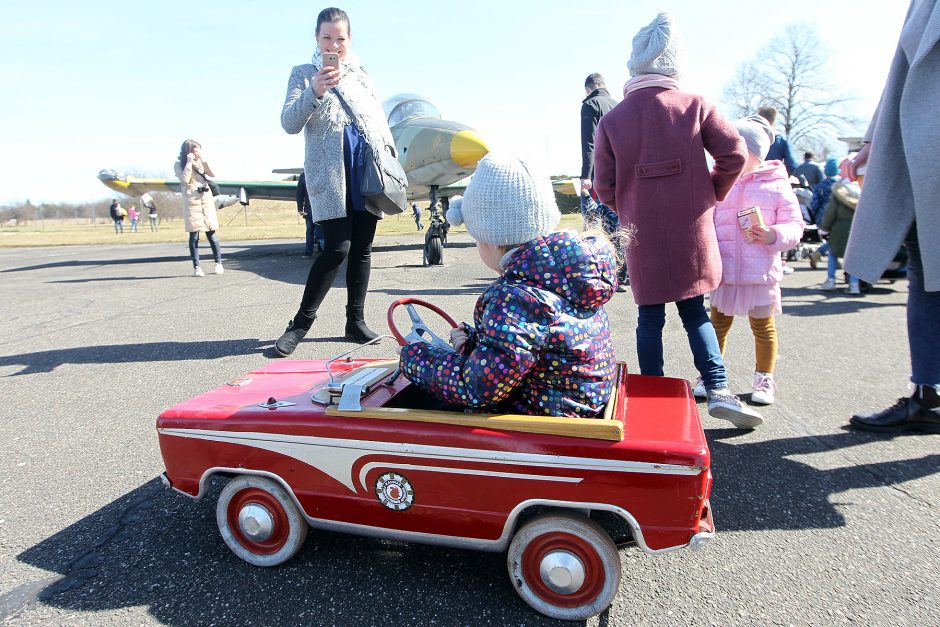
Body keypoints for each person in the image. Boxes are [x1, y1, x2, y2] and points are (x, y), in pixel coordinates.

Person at [594, 12, 763, 428]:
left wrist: (629, 207)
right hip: (692, 230)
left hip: (641, 232)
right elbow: (735, 154)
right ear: (675, 63)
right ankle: (719, 387)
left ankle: (651, 394)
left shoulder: (612, 120)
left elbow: (603, 184)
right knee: (695, 312)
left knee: (649, 317)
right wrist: (711, 191)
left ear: (635, 64)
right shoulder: (696, 106)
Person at [399, 153, 619, 418]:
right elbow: (529, 350)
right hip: (573, 408)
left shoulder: (516, 297)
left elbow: (477, 389)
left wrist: (416, 358)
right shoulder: (568, 276)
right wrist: (474, 343)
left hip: (538, 425)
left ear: (490, 240)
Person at [275, 7, 396, 355]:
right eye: (327, 37)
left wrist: (390, 159)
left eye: (340, 38)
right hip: (331, 173)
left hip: (366, 170)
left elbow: (379, 121)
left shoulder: (362, 75)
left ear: (349, 38)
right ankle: (299, 324)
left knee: (362, 250)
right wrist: (315, 90)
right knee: (336, 249)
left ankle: (354, 322)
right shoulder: (303, 73)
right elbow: (288, 122)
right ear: (317, 37)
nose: (334, 44)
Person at [844, 0, 940, 433]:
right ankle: (928, 395)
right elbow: (902, 71)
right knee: (927, 275)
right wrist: (873, 139)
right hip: (925, 148)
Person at [702, 116, 805, 407]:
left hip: (759, 270)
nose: (727, 155)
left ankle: (764, 378)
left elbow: (795, 226)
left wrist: (773, 235)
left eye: (734, 149)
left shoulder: (777, 185)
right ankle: (711, 375)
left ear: (754, 153)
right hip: (725, 270)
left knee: (763, 327)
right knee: (717, 325)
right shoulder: (719, 181)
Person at [174, 139, 223, 277]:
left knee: (211, 233)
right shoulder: (179, 164)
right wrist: (189, 163)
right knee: (194, 235)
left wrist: (205, 161)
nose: (198, 153)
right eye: (196, 150)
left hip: (205, 201)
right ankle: (197, 267)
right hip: (191, 202)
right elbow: (185, 180)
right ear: (188, 151)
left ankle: (218, 263)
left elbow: (212, 174)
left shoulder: (201, 162)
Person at [819, 181, 862, 294]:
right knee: (854, 257)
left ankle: (831, 281)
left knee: (833, 253)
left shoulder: (839, 194)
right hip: (857, 229)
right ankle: (854, 285)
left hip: (839, 228)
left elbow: (830, 212)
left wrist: (825, 227)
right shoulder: (863, 192)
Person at [580, 72, 618, 186]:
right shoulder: (618, 105)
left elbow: (589, 142)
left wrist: (586, 175)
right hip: (620, 169)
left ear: (587, 89)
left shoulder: (590, 104)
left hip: (601, 172)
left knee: (597, 204)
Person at [808, 158, 840, 268]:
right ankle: (818, 253)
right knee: (835, 238)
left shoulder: (820, 185)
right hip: (836, 216)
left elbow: (814, 203)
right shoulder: (840, 185)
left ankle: (833, 260)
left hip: (822, 216)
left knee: (831, 238)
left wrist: (816, 215)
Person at [756, 106, 797, 175]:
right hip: (772, 178)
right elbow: (792, 164)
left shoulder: (747, 136)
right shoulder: (781, 139)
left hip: (748, 179)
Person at [295, 171, 324, 258]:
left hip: (321, 209)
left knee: (321, 230)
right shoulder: (303, 175)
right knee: (310, 230)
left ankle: (324, 252)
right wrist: (300, 209)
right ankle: (308, 252)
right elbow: (299, 193)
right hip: (309, 209)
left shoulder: (322, 172)